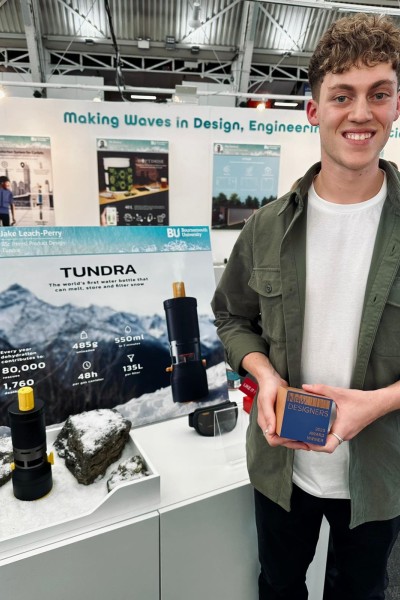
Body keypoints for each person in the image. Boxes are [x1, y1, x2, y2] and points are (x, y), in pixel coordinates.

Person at [212, 13, 400, 600]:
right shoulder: (267, 226)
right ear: (315, 109)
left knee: (359, 593)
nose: (361, 113)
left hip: (379, 477)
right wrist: (262, 372)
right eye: (342, 95)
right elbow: (231, 316)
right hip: (279, 470)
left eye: (379, 94)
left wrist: (379, 403)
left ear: (397, 105)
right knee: (279, 585)